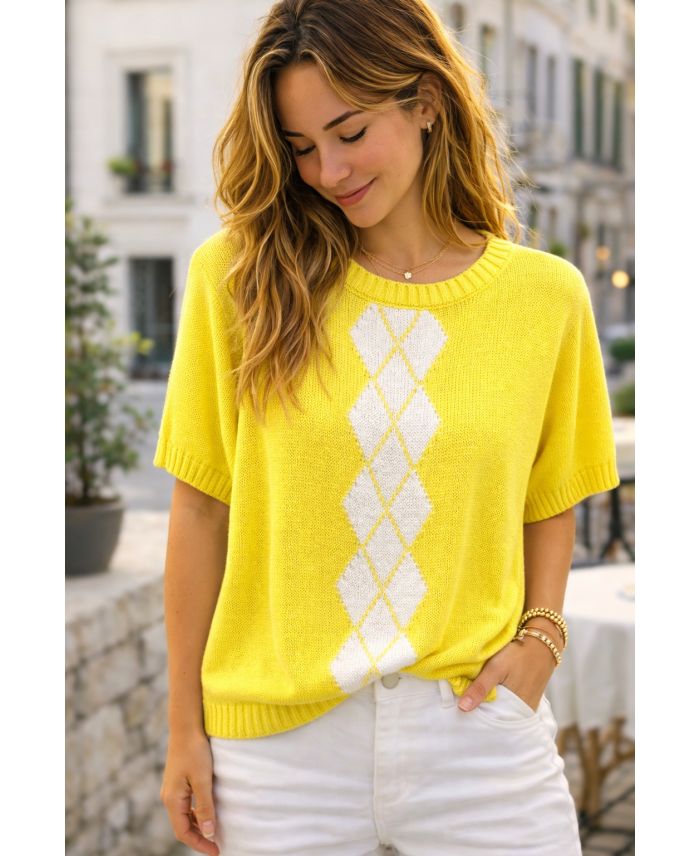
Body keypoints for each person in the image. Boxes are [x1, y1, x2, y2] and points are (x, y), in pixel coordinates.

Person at [155, 1, 620, 854]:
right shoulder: (238, 280)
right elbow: (201, 511)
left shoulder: (545, 298)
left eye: (350, 131)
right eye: (300, 146)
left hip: (478, 733)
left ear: (426, 101)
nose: (327, 170)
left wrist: (542, 641)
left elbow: (549, 496)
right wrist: (184, 729)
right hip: (279, 750)